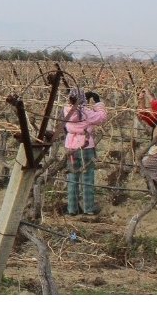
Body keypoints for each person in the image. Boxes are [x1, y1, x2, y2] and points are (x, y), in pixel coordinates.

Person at [61, 87, 109, 216]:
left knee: (72, 177)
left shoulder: (66, 110)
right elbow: (102, 118)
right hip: (85, 146)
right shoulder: (86, 112)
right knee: (87, 178)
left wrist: (84, 101)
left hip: (70, 147)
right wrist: (98, 102)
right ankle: (88, 209)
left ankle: (72, 209)